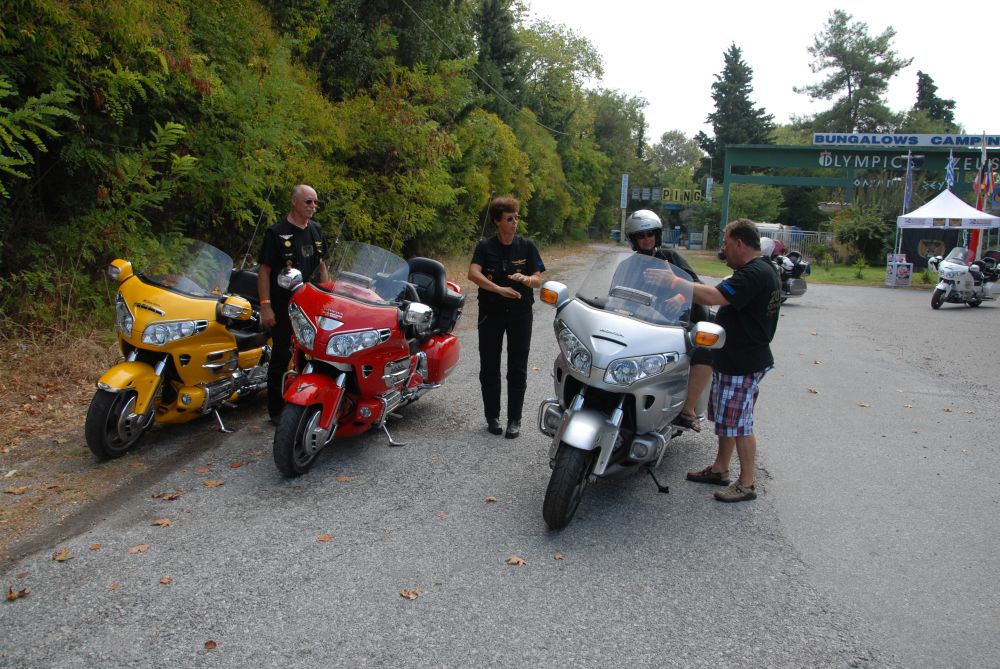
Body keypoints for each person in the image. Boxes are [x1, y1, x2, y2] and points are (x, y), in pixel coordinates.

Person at [681, 218, 781, 503]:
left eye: (726, 243)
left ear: (739, 243)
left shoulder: (754, 273)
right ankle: (720, 469)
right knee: (728, 420)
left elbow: (715, 297)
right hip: (736, 359)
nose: (723, 248)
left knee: (740, 424)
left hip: (743, 362)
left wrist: (676, 283)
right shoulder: (761, 269)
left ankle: (747, 483)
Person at [622, 209, 712, 433]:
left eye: (650, 234)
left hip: (674, 323)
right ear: (633, 239)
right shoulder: (628, 266)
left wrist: (681, 296)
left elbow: (698, 285)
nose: (646, 239)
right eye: (641, 236)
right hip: (638, 322)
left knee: (705, 349)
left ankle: (687, 409)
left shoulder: (671, 259)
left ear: (657, 235)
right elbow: (616, 294)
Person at [468, 196, 545, 439]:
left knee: (517, 367)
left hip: (520, 314)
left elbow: (538, 278)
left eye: (517, 217)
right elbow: (473, 273)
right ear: (497, 221)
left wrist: (527, 279)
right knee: (489, 366)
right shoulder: (485, 247)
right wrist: (499, 289)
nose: (515, 222)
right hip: (490, 314)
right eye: (510, 218)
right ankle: (492, 417)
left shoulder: (527, 246)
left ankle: (515, 419)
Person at [258, 184, 329, 423]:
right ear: (294, 201)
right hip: (283, 305)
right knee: (281, 354)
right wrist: (265, 305)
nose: (313, 206)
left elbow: (321, 265)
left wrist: (328, 297)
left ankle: (306, 403)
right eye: (308, 202)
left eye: (315, 202)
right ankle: (276, 411)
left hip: (311, 304)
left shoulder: (316, 230)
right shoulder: (276, 233)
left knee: (313, 354)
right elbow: (265, 271)